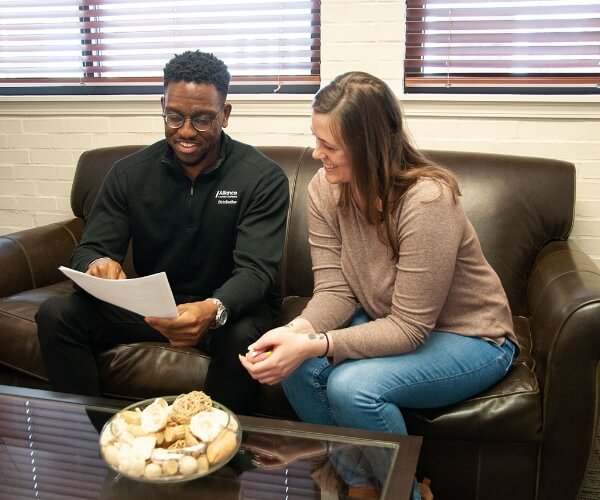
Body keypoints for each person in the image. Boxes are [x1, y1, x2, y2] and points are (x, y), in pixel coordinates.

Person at [240, 71, 518, 498]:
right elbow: (335, 292)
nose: (317, 154)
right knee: (296, 371)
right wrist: (295, 333)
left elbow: (410, 327)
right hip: (389, 321)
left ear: (368, 145)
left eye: (329, 146)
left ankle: (402, 493)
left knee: (354, 387)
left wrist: (317, 343)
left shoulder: (428, 200)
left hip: (471, 336)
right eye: (316, 140)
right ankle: (361, 487)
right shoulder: (324, 189)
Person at [36, 50, 289, 415]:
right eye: (174, 116)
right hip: (155, 305)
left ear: (226, 115)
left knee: (243, 337)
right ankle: (102, 445)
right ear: (163, 106)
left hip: (228, 309)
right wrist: (98, 263)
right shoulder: (128, 174)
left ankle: (211, 455)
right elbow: (88, 248)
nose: (186, 131)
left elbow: (256, 272)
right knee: (56, 315)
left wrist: (213, 309)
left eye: (202, 119)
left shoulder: (262, 178)